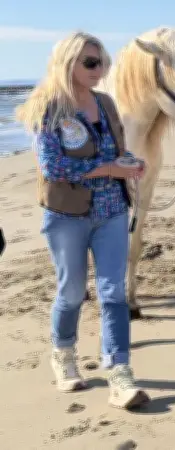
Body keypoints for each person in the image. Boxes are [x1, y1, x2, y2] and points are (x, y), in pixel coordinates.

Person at [15, 31, 149, 409]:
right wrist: (108, 167)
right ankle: (63, 353)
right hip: (66, 216)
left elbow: (115, 151)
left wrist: (129, 163)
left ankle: (119, 372)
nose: (99, 70)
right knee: (72, 292)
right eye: (90, 63)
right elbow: (53, 166)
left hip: (111, 212)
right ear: (68, 63)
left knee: (114, 293)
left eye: (102, 63)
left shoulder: (106, 103)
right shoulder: (48, 107)